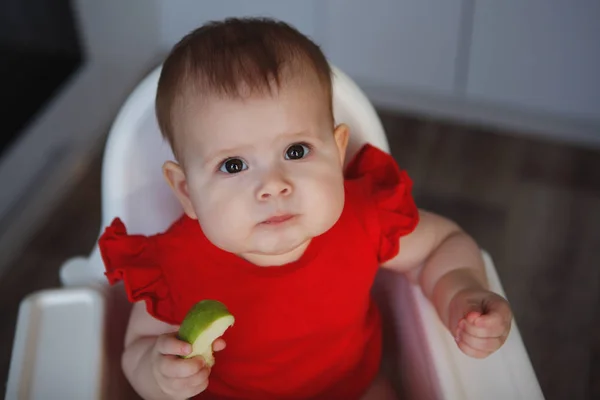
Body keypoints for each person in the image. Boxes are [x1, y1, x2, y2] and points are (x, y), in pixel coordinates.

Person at [98, 17, 513, 400]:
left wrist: (461, 292)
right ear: (187, 192)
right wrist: (159, 372)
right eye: (233, 165)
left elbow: (442, 244)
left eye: (296, 151)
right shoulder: (174, 264)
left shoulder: (366, 218)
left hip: (353, 390)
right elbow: (134, 352)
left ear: (336, 151)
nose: (273, 185)